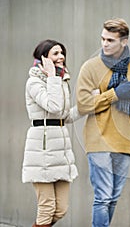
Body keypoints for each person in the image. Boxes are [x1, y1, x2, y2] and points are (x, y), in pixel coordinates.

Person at [76, 18, 130, 227]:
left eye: (111, 40)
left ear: (124, 41)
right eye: (103, 39)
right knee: (103, 196)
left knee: (113, 198)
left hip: (124, 141)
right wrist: (114, 95)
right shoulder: (91, 67)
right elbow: (83, 104)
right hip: (98, 140)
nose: (104, 44)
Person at [22, 39, 81, 227]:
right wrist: (53, 77)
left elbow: (64, 115)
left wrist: (89, 103)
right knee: (46, 207)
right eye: (55, 53)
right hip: (41, 151)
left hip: (61, 152)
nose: (61, 57)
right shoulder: (34, 82)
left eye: (62, 52)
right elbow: (53, 106)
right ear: (43, 57)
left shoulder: (61, 80)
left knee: (61, 209)